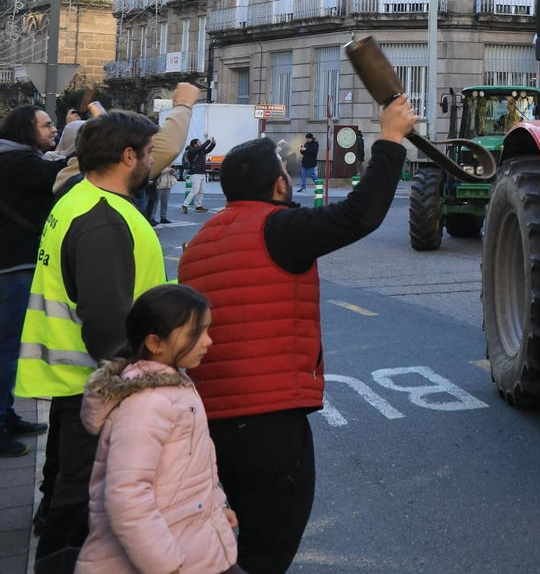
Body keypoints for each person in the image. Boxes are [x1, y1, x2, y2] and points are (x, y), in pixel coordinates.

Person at [178, 93, 418, 574]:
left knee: (227, 547)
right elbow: (359, 215)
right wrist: (390, 139)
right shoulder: (278, 228)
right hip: (268, 426)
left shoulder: (198, 243)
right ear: (279, 186)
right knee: (267, 553)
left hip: (211, 424)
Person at [17, 111, 171, 574]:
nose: (151, 161)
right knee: (83, 503)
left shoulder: (78, 196)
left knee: (73, 491)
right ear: (128, 156)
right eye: (146, 153)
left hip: (74, 381)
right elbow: (107, 324)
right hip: (95, 384)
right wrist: (146, 380)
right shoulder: (103, 220)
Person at [75, 284, 242, 574]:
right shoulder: (148, 404)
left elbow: (192, 468)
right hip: (162, 560)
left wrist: (215, 507)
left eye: (207, 330)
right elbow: (127, 497)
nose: (208, 342)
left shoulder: (173, 387)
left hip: (191, 545)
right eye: (195, 334)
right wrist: (165, 566)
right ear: (155, 343)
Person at [0, 105, 67, 456]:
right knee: (7, 349)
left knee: (8, 348)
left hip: (11, 264)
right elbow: (61, 171)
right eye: (46, 126)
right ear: (26, 131)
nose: (53, 129)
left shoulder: (13, 158)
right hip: (14, 267)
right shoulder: (19, 163)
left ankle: (6, 414)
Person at [181, 136, 215, 213]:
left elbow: (207, 150)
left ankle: (199, 206)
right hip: (195, 173)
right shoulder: (191, 151)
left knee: (201, 191)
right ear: (195, 145)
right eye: (199, 142)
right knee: (195, 190)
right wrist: (208, 141)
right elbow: (201, 148)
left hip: (202, 172)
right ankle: (184, 205)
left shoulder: (200, 151)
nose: (201, 143)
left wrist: (213, 144)